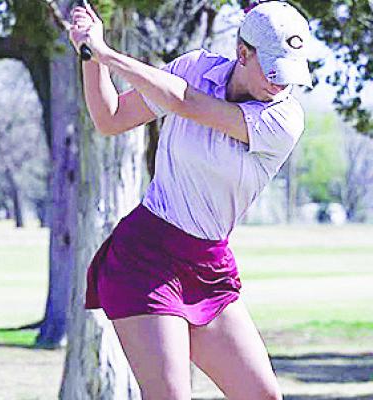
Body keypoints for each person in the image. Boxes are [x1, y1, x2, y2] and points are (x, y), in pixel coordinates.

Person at [69, 1, 312, 399]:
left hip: (209, 266)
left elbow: (187, 103)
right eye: (271, 69)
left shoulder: (283, 119)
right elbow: (109, 118)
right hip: (144, 258)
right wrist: (90, 56)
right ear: (243, 52)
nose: (279, 83)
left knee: (263, 396)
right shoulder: (194, 68)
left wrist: (107, 52)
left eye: (289, 72)